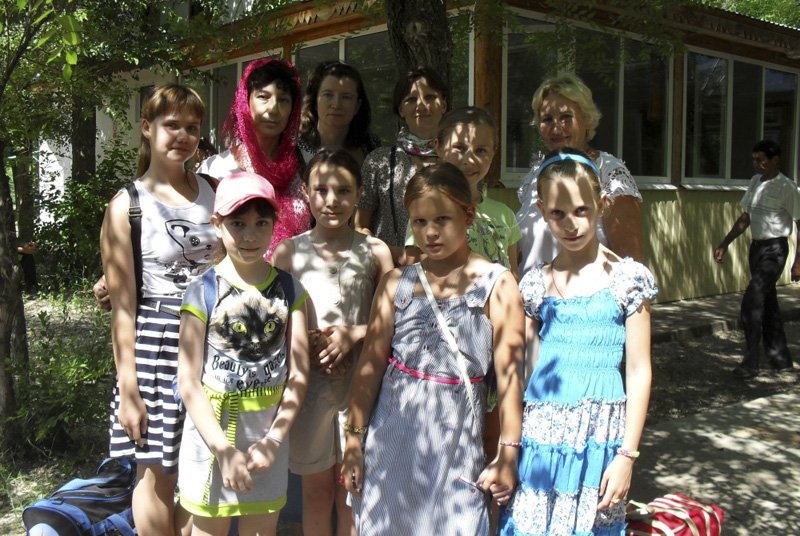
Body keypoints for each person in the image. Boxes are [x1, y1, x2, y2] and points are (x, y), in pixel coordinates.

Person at [341, 163, 524, 536]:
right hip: (391, 436)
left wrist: (508, 452)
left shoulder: (497, 286)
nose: (430, 232)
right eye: (420, 221)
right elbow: (370, 366)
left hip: (456, 442)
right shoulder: (396, 283)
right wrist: (354, 440)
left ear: (468, 216)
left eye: (442, 219)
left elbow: (510, 381)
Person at [499, 148, 656, 536]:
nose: (571, 224)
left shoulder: (628, 279)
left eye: (582, 210)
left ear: (602, 204)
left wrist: (627, 456)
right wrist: (509, 448)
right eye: (558, 213)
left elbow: (639, 371)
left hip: (599, 443)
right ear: (542, 211)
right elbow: (522, 372)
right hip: (541, 440)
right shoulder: (535, 284)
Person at [100, 83, 215, 535]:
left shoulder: (216, 192)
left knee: (204, 471)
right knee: (157, 477)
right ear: (147, 128)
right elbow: (123, 309)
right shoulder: (126, 205)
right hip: (156, 347)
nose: (183, 136)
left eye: (192, 127)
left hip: (214, 345)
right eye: (172, 125)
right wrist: (128, 388)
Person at [176, 171, 310, 536]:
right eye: (238, 223)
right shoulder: (202, 291)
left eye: (261, 223)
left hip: (267, 444)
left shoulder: (291, 291)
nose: (250, 235)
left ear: (274, 223)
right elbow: (188, 382)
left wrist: (275, 440)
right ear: (216, 224)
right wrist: (222, 450)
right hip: (211, 442)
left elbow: (299, 375)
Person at [272, 150, 393, 536]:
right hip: (310, 390)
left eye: (343, 190)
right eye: (321, 189)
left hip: (362, 388)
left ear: (359, 194)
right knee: (317, 494)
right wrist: (303, 342)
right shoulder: (289, 252)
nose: (332, 200)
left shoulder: (375, 251)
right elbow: (274, 322)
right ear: (306, 192)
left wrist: (355, 333)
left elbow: (395, 319)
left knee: (352, 494)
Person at [516, 73, 643, 277]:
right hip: (533, 293)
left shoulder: (609, 172)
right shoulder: (536, 175)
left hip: (587, 293)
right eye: (547, 119)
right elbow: (528, 249)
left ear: (587, 120)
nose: (556, 127)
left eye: (566, 117)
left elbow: (630, 261)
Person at [198, 58, 311, 257]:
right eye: (263, 97)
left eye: (283, 100)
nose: (273, 109)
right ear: (245, 102)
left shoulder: (307, 166)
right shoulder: (217, 169)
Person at [714, 140, 800, 379]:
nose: (756, 164)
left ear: (775, 160)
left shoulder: (787, 187)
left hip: (775, 251)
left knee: (752, 301)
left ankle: (751, 361)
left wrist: (798, 261)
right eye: (754, 159)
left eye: (760, 160)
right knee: (768, 302)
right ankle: (780, 358)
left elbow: (799, 224)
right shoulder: (755, 182)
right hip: (757, 249)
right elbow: (746, 217)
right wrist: (725, 243)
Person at [405, 107, 521, 279]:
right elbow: (415, 272)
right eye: (459, 148)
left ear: (493, 153)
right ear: (439, 147)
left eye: (480, 151)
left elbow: (513, 274)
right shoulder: (426, 213)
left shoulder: (505, 214)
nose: (469, 160)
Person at [355, 67, 449, 264]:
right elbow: (359, 226)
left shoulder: (457, 161)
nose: (421, 105)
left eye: (430, 97)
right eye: (411, 99)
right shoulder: (379, 161)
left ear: (443, 105)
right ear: (400, 109)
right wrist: (391, 254)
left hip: (448, 272)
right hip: (390, 272)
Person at [297, 60, 380, 165]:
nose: (336, 105)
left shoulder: (370, 145)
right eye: (328, 95)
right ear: (315, 102)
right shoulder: (296, 151)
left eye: (346, 97)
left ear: (357, 106)